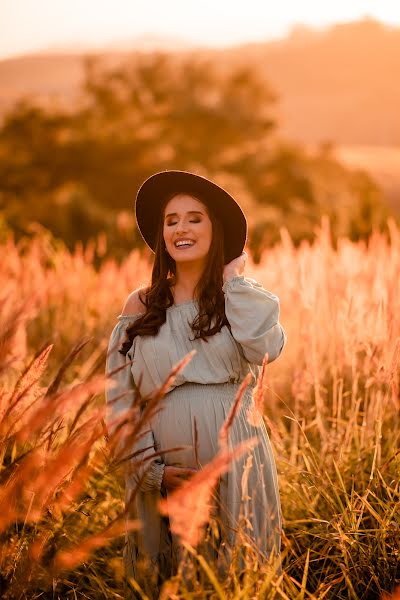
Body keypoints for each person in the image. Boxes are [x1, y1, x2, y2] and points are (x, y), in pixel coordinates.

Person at [105, 170, 287, 596]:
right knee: (167, 578)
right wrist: (152, 470)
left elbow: (265, 350)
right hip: (162, 468)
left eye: (194, 218)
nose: (181, 229)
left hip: (235, 458)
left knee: (237, 574)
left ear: (214, 228)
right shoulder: (141, 304)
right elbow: (118, 397)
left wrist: (234, 280)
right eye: (171, 220)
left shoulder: (239, 297)